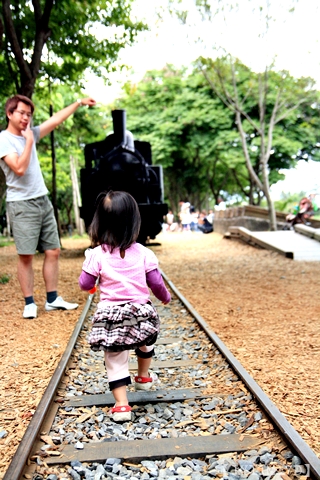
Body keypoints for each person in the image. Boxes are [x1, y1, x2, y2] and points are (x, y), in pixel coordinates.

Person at [0, 94, 96, 319]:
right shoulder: (4, 139)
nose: (26, 118)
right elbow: (19, 169)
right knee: (26, 255)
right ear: (9, 114)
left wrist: (78, 103)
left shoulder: (30, 133)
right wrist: (30, 142)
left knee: (53, 250)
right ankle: (29, 302)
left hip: (43, 200)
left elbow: (55, 120)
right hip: (21, 204)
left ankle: (52, 299)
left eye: (29, 115)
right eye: (22, 113)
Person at [78, 190, 171, 422]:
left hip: (112, 318)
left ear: (98, 222)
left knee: (116, 357)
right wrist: (166, 297)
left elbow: (85, 284)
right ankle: (143, 376)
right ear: (135, 221)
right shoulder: (144, 253)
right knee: (145, 341)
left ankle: (121, 405)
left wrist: (90, 271)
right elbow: (156, 283)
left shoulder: (96, 255)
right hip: (140, 315)